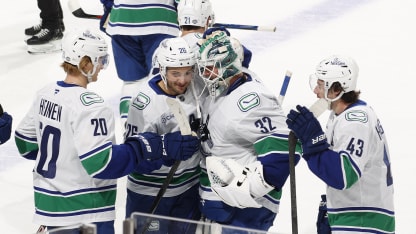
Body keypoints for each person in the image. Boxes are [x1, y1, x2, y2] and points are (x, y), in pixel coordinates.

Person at [14, 29, 199, 234]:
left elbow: (25, 144)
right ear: (85, 63)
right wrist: (154, 146)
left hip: (50, 206)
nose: (102, 67)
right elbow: (103, 164)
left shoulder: (45, 94)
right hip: (86, 210)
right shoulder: (91, 107)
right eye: (100, 60)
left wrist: (67, 161)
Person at [196, 30, 300, 232]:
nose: (205, 75)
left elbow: (285, 153)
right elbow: (243, 53)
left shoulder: (252, 101)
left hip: (243, 211)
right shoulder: (225, 83)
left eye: (210, 69)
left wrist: (246, 189)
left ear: (227, 66)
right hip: (223, 207)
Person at [286, 55, 395, 233]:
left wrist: (313, 141)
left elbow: (343, 176)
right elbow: (329, 158)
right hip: (354, 217)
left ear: (336, 89)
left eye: (321, 85)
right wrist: (304, 141)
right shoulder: (340, 115)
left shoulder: (356, 120)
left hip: (363, 221)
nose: (315, 90)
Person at [124, 37, 203, 233]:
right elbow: (133, 157)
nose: (183, 80)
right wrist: (165, 151)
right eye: (175, 73)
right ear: (162, 69)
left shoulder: (196, 87)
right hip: (150, 192)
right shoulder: (144, 103)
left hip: (188, 187)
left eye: (187, 72)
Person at [99, 0, 180, 129]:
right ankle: (168, 133)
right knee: (162, 80)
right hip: (160, 19)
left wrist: (109, 8)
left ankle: (130, 132)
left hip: (122, 20)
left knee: (131, 83)